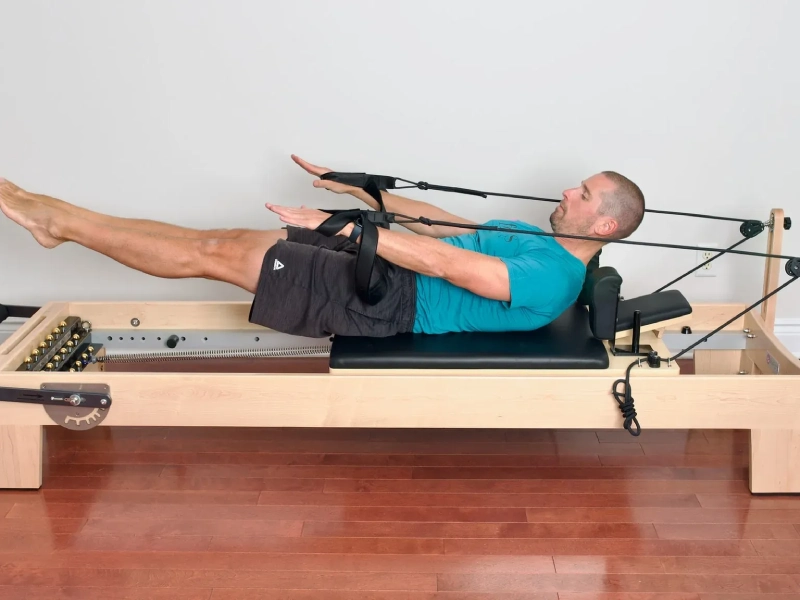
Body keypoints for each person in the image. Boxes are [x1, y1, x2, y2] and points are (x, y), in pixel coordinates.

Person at [0, 155, 645, 338]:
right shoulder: (537, 237)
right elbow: (442, 227)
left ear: (605, 226)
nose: (569, 189)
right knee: (218, 242)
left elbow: (442, 263)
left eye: (584, 193)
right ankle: (56, 218)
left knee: (213, 255)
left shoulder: (553, 279)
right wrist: (360, 190)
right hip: (386, 266)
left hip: (389, 301)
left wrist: (339, 227)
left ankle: (55, 222)